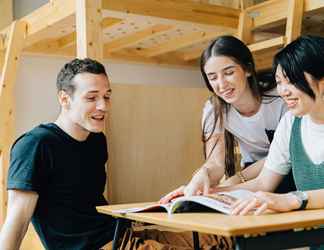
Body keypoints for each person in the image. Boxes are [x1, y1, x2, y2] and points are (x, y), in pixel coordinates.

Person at [160, 35, 294, 204]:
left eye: (229, 73)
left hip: (289, 167)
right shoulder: (215, 109)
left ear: (247, 69)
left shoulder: (280, 96)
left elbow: (286, 154)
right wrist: (204, 174)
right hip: (252, 172)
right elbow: (216, 162)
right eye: (213, 77)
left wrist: (236, 180)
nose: (222, 84)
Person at [0, 58, 116, 249]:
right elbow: (17, 221)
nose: (103, 106)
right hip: (95, 246)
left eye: (107, 96)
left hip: (119, 234)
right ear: (64, 99)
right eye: (91, 97)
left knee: (182, 235)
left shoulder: (97, 140)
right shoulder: (36, 144)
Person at [222, 35, 324, 249]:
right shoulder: (290, 123)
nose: (283, 91)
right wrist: (208, 194)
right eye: (279, 82)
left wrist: (292, 199)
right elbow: (263, 184)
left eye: (292, 80)